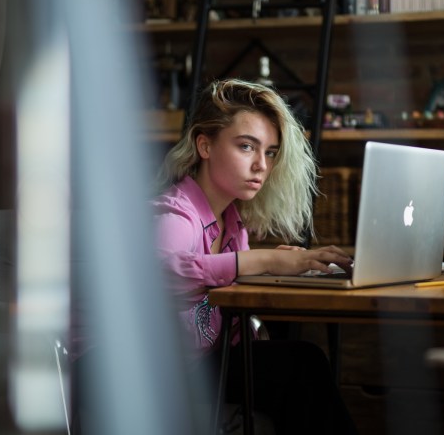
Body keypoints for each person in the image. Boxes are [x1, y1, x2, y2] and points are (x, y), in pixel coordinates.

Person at [152, 79, 358, 434]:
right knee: (301, 367)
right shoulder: (177, 215)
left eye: (271, 152)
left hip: (193, 365)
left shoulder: (232, 223)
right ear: (204, 145)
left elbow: (227, 300)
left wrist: (275, 270)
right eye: (247, 147)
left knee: (300, 366)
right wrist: (264, 262)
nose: (262, 165)